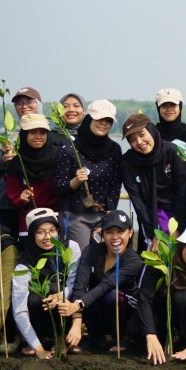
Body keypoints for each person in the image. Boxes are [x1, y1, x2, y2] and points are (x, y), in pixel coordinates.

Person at [131, 218, 186, 364]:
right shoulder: (163, 259)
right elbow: (144, 297)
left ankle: (184, 343)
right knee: (134, 329)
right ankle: (160, 341)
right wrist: (150, 334)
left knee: (183, 297)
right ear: (183, 244)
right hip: (162, 313)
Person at [60, 209, 142, 352]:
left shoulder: (134, 260)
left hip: (126, 308)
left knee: (112, 296)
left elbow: (107, 285)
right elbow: (80, 285)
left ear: (130, 233)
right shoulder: (91, 251)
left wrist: (78, 305)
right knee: (88, 294)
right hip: (100, 302)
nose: (115, 237)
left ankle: (123, 337)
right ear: (102, 234)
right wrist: (77, 321)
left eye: (120, 231)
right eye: (109, 232)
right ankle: (96, 339)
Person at [13, 208, 81, 359]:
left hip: (65, 311)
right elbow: (19, 310)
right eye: (40, 232)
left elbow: (76, 285)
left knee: (58, 289)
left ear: (58, 231)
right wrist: (38, 348)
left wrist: (60, 295)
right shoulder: (24, 264)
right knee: (36, 296)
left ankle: (63, 339)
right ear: (32, 235)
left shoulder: (70, 248)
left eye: (52, 230)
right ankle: (38, 339)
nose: (47, 237)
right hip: (38, 314)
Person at [55, 100, 122, 250]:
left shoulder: (114, 149)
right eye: (99, 119)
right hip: (75, 215)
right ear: (89, 119)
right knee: (80, 258)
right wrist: (76, 180)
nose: (103, 123)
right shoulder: (69, 149)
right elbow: (59, 188)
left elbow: (116, 184)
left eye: (108, 120)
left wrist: (110, 214)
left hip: (103, 215)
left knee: (103, 258)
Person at [120, 114, 186, 244]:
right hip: (148, 218)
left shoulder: (172, 152)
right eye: (132, 140)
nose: (139, 142)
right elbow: (138, 202)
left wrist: (175, 226)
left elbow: (181, 191)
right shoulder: (127, 162)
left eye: (142, 134)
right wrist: (154, 233)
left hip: (177, 215)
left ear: (151, 130)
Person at [5, 113, 59, 234]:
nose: (38, 136)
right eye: (33, 132)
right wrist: (22, 199)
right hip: (28, 223)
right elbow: (14, 198)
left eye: (42, 132)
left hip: (56, 221)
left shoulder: (59, 157)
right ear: (24, 135)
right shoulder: (17, 162)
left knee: (56, 246)